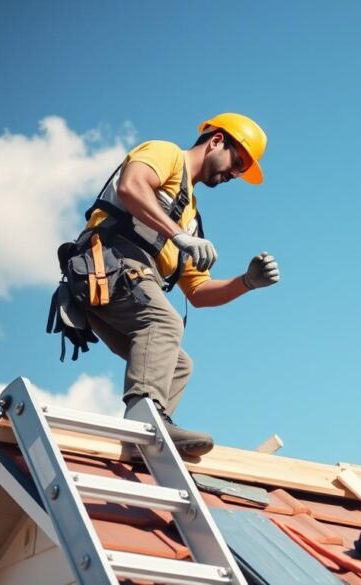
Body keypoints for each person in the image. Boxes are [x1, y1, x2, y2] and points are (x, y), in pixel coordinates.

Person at [61, 113, 280, 458]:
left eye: (240, 172)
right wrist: (176, 235)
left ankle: (148, 438)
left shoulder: (191, 216)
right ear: (217, 141)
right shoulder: (166, 154)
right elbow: (130, 186)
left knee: (180, 363)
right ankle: (143, 422)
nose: (234, 175)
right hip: (109, 264)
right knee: (163, 322)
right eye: (237, 162)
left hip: (125, 283)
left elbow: (199, 293)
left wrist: (246, 282)